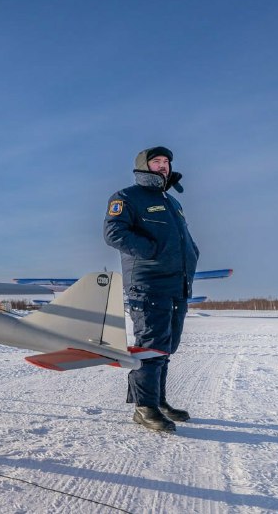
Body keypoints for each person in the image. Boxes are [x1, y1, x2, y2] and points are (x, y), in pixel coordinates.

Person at [103, 146, 199, 432]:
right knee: (151, 346)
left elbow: (183, 241)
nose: (163, 166)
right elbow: (113, 232)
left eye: (166, 162)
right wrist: (152, 250)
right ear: (144, 166)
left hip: (177, 284)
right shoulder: (127, 197)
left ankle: (157, 401)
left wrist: (193, 252)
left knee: (166, 347)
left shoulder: (171, 202)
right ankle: (144, 408)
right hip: (149, 284)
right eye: (156, 161)